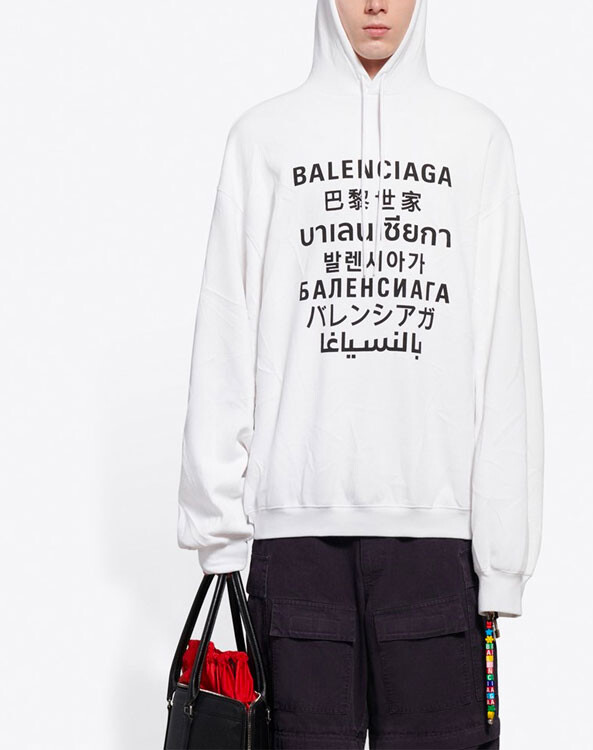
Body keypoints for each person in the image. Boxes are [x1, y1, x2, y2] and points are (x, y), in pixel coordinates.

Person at [176, 0, 544, 747]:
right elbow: (225, 332)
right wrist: (219, 531)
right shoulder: (263, 139)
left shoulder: (476, 140)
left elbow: (505, 351)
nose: (376, 4)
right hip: (294, 537)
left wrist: (503, 556)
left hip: (439, 542)